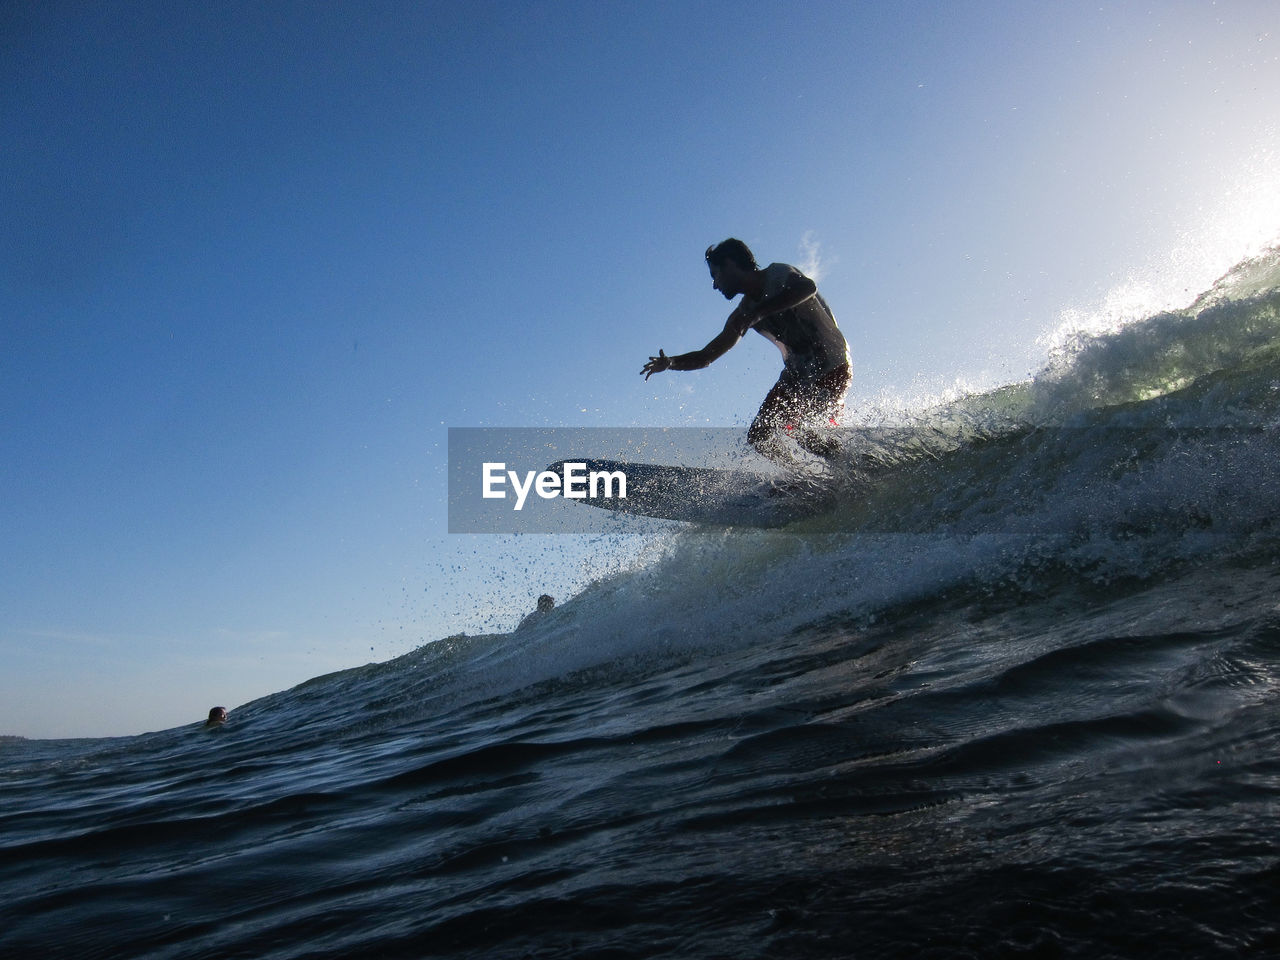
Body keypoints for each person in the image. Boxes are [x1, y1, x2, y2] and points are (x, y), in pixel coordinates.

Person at [641, 239, 851, 467]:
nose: (714, 285)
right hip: (797, 377)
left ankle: (850, 465)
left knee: (803, 431)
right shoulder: (743, 313)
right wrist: (671, 362)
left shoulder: (777, 274)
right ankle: (801, 477)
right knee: (759, 436)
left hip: (832, 365)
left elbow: (808, 288)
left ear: (730, 264)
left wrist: (759, 313)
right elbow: (706, 356)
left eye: (715, 275)